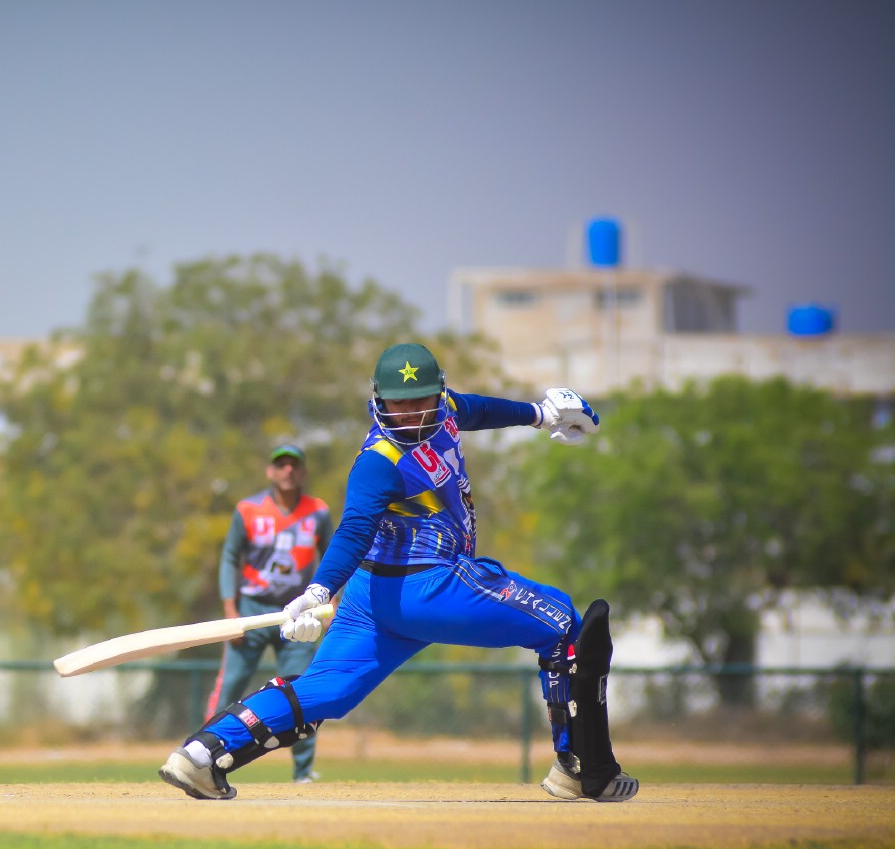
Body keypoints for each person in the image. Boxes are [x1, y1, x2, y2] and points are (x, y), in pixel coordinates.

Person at [160, 342, 639, 803]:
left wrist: (539, 414)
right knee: (562, 623)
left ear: (438, 394)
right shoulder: (378, 462)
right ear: (378, 399)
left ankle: (203, 754)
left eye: (420, 401)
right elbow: (354, 529)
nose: (410, 413)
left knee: (326, 691)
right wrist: (318, 591)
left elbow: (475, 409)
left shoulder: (445, 411)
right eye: (398, 403)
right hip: (427, 587)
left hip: (373, 597)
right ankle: (582, 769)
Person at [213, 443, 333, 782]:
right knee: (231, 686)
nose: (288, 470)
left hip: (298, 613)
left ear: (303, 471)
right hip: (252, 610)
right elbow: (229, 557)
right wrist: (230, 608)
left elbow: (334, 556)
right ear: (270, 471)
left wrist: (333, 602)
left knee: (302, 690)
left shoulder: (318, 512)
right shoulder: (248, 509)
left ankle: (303, 772)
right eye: (281, 464)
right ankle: (208, 754)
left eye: (294, 465)